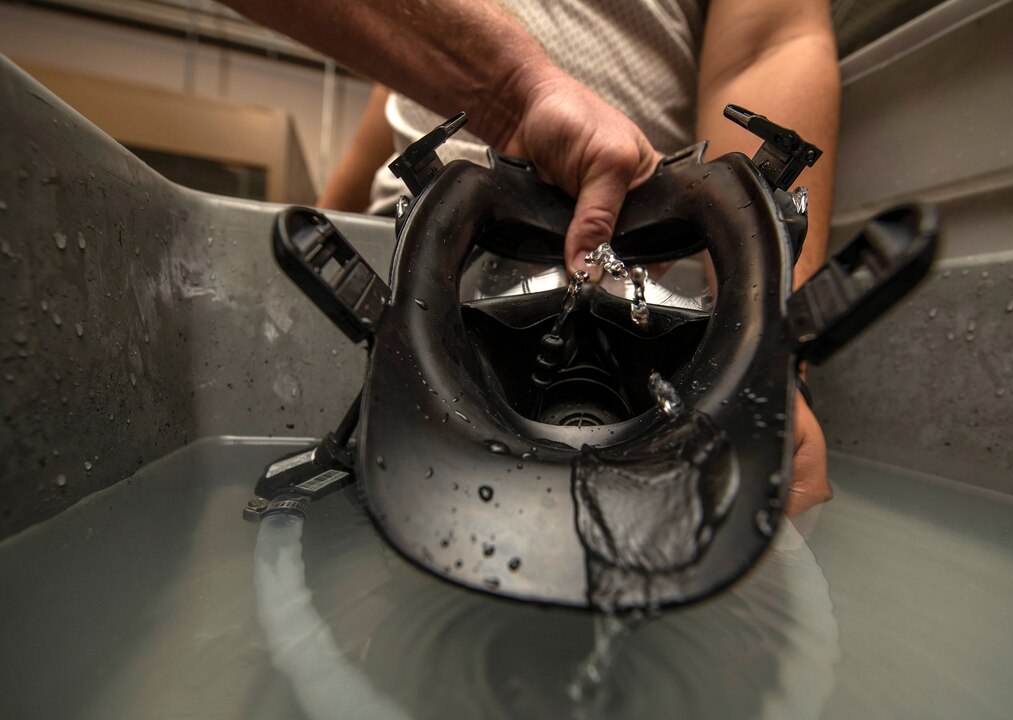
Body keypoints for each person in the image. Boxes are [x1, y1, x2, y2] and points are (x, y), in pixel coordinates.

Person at [226, 0, 835, 516]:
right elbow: (387, 100)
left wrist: (764, 359)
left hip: (634, 265)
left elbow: (769, 44)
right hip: (429, 254)